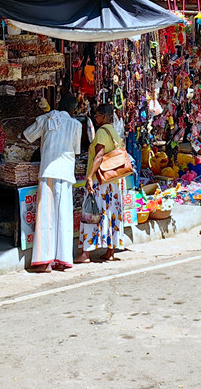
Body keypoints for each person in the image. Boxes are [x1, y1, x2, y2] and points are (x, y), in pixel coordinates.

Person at [23, 94, 82, 272]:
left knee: (45, 215)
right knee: (63, 215)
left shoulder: (46, 118)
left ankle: (45, 261)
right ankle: (63, 259)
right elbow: (76, 150)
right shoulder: (76, 124)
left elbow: (27, 135)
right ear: (72, 110)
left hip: (48, 170)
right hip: (65, 172)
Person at [81, 103, 125, 263]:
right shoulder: (114, 132)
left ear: (105, 116)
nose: (95, 118)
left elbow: (99, 156)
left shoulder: (101, 132)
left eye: (97, 115)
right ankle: (110, 251)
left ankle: (86, 253)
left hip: (100, 181)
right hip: (112, 182)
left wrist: (90, 177)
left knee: (92, 213)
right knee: (110, 214)